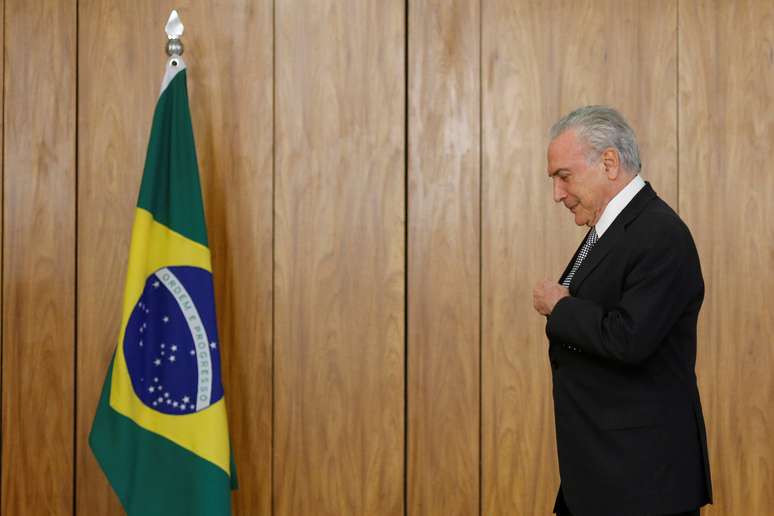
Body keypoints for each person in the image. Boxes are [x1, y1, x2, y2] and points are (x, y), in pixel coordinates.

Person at [532, 106, 712, 516]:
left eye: (564, 176)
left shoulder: (660, 233)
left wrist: (560, 308)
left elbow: (629, 338)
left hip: (643, 482)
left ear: (609, 163)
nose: (557, 194)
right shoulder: (611, 228)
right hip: (604, 474)